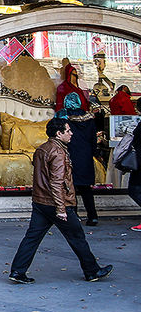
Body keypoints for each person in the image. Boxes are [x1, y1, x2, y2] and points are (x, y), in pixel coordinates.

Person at [9, 118, 112, 284]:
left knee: (32, 237)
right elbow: (56, 183)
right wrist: (61, 209)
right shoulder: (58, 153)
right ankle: (92, 271)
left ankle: (17, 271)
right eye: (68, 131)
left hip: (40, 202)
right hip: (56, 203)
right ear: (59, 133)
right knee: (77, 237)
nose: (71, 133)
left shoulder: (42, 149)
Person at [58, 93, 99, 225]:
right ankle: (92, 216)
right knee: (86, 189)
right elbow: (94, 139)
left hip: (70, 154)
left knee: (70, 187)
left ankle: (73, 216)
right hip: (85, 156)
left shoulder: (63, 117)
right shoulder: (89, 118)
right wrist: (93, 153)